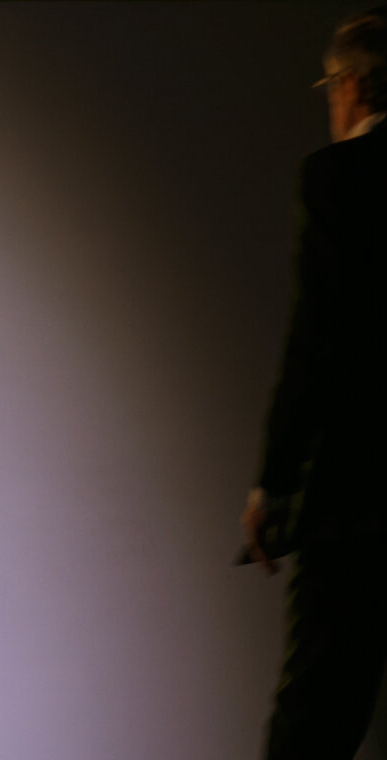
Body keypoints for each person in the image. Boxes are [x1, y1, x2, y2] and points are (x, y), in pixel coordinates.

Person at [244, 8, 387, 758]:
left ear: (352, 85)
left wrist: (273, 482)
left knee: (314, 722)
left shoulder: (340, 178)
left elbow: (317, 343)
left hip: (359, 500)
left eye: (328, 86)